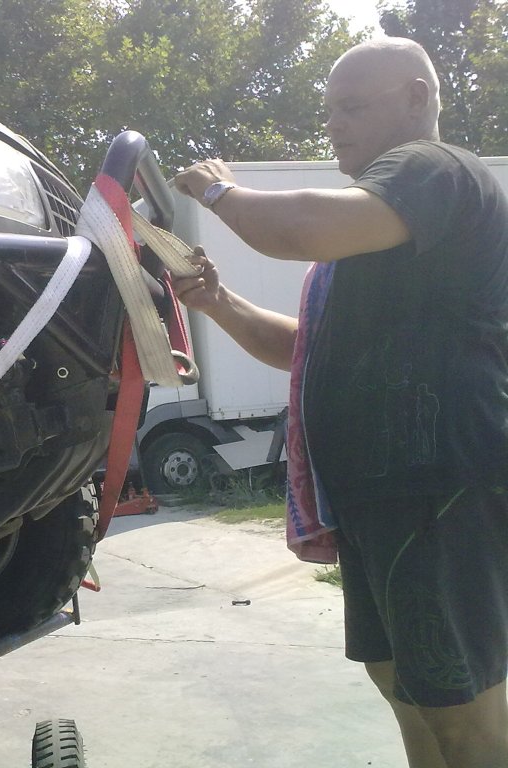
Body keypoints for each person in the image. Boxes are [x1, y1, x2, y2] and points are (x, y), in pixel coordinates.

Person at [171, 37, 508, 768]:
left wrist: (219, 190)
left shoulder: (433, 167)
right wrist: (220, 303)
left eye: (351, 107)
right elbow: (306, 349)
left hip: (436, 493)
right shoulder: (378, 240)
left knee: (461, 713)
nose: (333, 125)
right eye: (328, 111)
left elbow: (298, 229)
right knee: (409, 694)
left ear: (416, 98)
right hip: (381, 499)